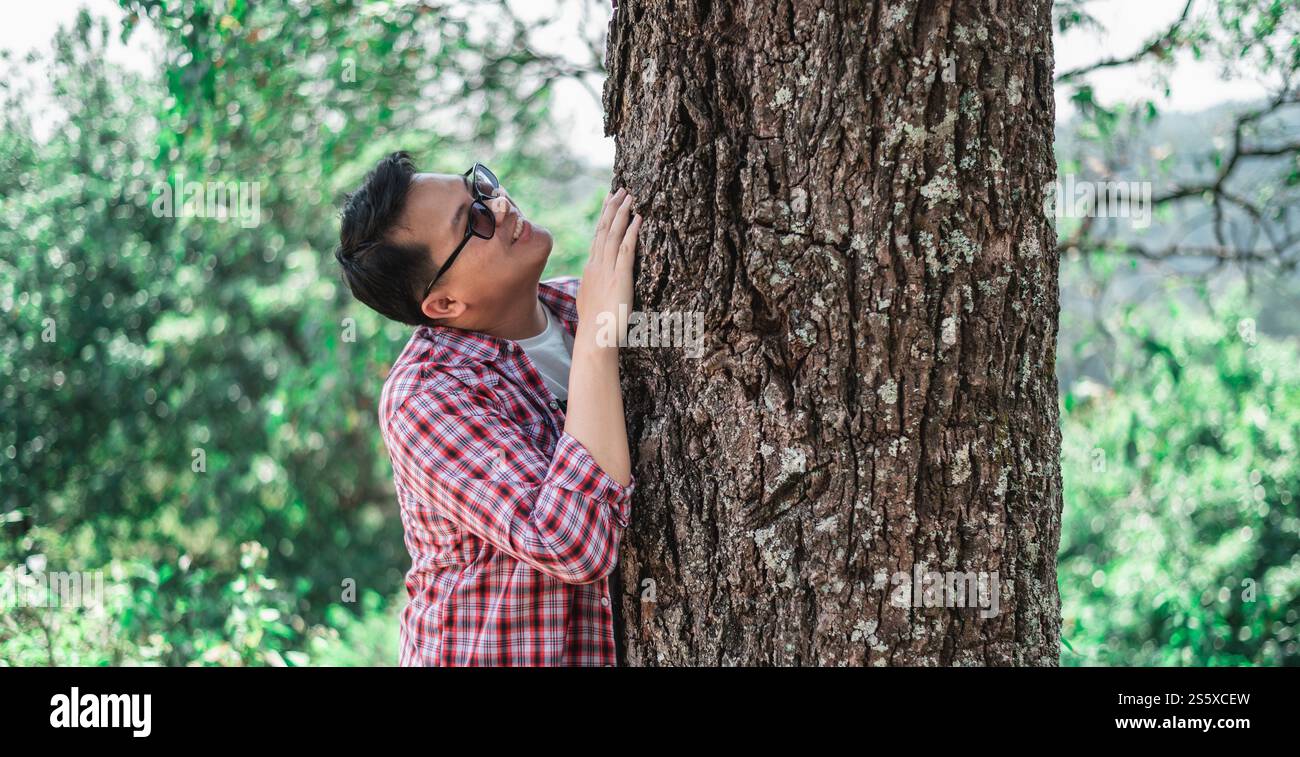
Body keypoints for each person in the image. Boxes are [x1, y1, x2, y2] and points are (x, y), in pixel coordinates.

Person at [334, 152, 643, 665]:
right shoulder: (427, 397)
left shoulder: (582, 305)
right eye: (474, 221)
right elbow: (571, 542)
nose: (499, 205)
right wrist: (597, 339)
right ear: (445, 305)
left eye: (478, 190)